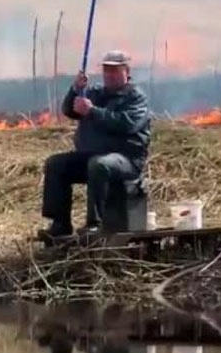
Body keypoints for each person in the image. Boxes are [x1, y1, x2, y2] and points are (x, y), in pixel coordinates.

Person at [40, 50, 151, 238]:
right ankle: (59, 224)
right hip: (91, 156)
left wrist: (93, 112)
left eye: (115, 70)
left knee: (99, 165)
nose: (110, 75)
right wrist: (75, 90)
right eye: (107, 70)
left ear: (127, 71)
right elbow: (70, 110)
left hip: (126, 160)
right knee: (56, 164)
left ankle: (94, 224)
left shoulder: (136, 97)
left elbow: (126, 124)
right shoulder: (94, 93)